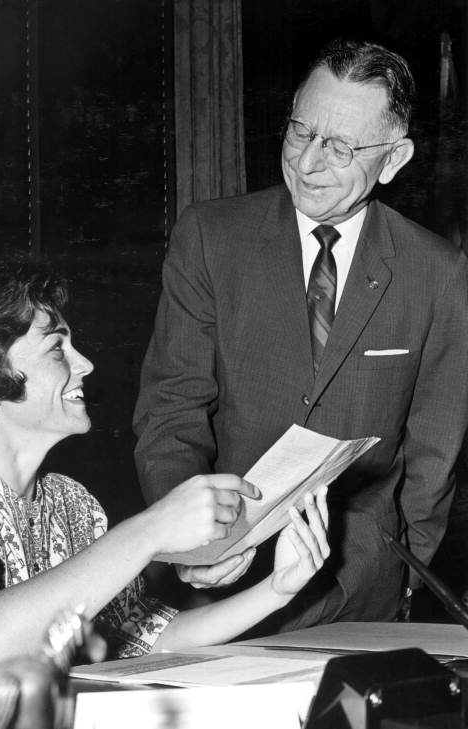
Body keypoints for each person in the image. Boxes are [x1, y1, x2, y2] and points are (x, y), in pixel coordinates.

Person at [0, 255, 329, 691]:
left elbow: (148, 639)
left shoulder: (73, 503)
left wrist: (277, 589)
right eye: (57, 348)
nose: (85, 363)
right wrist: (152, 528)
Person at [133, 38, 468, 631]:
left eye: (341, 146)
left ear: (393, 160)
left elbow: (434, 454)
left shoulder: (438, 274)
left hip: (362, 593)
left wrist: (404, 575)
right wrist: (192, 540)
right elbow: (171, 410)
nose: (310, 163)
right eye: (300, 132)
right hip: (225, 587)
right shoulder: (210, 239)